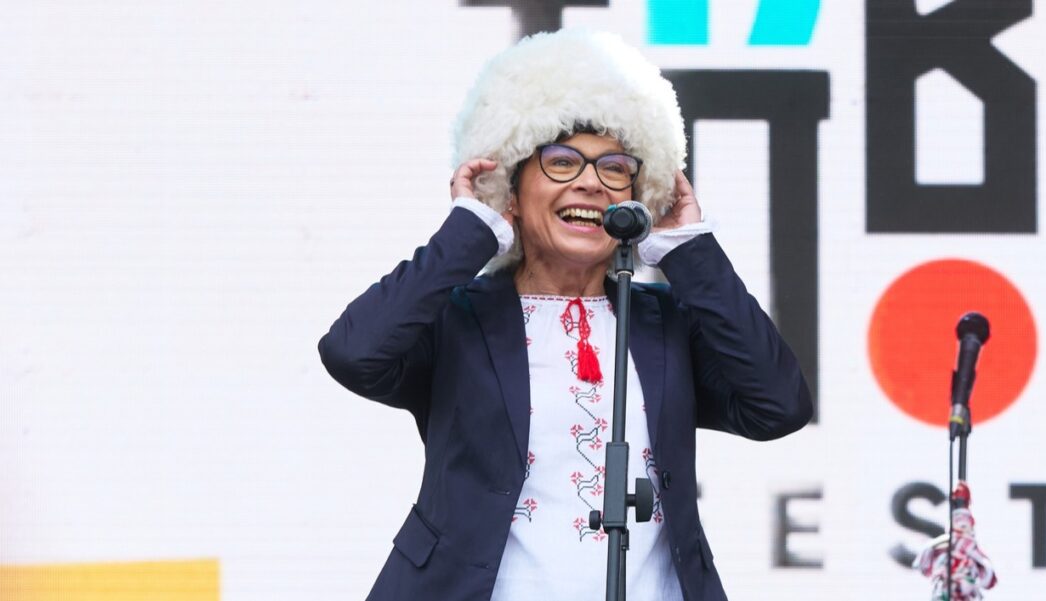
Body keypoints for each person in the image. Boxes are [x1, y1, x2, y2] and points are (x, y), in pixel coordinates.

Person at [319, 29, 812, 601]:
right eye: (560, 161)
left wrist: (690, 251)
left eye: (615, 168)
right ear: (511, 188)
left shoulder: (663, 323)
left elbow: (779, 405)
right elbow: (353, 353)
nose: (589, 182)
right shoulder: (458, 317)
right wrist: (470, 231)